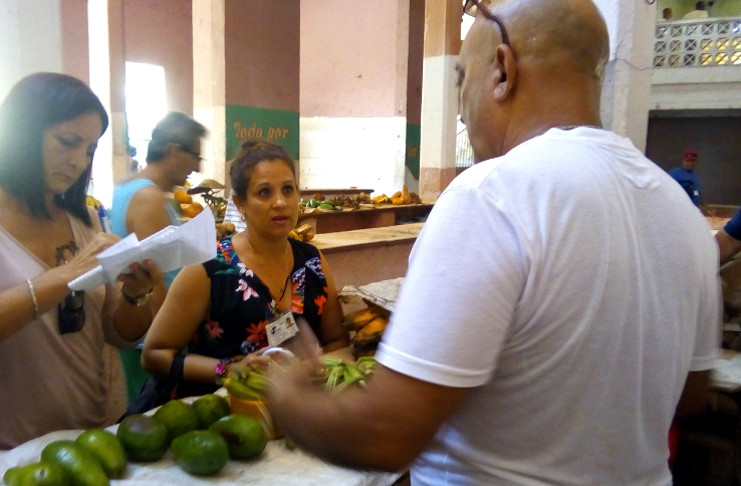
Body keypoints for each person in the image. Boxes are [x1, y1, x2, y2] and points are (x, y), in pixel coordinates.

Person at [261, 0, 721, 484]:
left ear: (502, 69)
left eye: (462, 79)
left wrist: (286, 393)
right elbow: (689, 396)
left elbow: (384, 435)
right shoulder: (680, 211)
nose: (461, 109)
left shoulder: (494, 193)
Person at [0, 72, 162, 449]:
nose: (77, 162)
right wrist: (64, 276)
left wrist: (137, 296)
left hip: (99, 427)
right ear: (22, 132)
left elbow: (115, 333)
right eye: (67, 142)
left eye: (89, 150)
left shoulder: (86, 219)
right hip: (17, 443)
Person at [140, 140, 349, 401]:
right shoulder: (209, 268)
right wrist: (228, 370)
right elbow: (154, 355)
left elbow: (337, 342)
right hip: (219, 420)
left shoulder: (313, 263)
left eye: (288, 189)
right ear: (240, 203)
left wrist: (313, 369)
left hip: (293, 418)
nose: (281, 202)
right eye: (264, 192)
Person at [108, 111, 207, 401]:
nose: (197, 167)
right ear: (174, 151)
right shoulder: (149, 199)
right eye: (195, 157)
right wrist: (169, 339)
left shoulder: (129, 185)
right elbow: (156, 277)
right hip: (151, 334)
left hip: (141, 329)